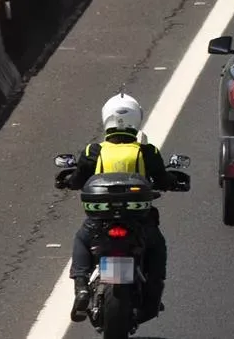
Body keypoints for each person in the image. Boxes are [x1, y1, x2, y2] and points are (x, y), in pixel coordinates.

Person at [58, 93, 172, 322]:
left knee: (82, 239)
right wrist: (175, 180)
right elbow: (163, 179)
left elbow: (78, 180)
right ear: (137, 119)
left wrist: (67, 180)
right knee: (157, 246)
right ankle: (152, 293)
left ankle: (81, 286)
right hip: (139, 220)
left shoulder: (93, 151)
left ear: (106, 118)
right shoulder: (147, 151)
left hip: (100, 221)